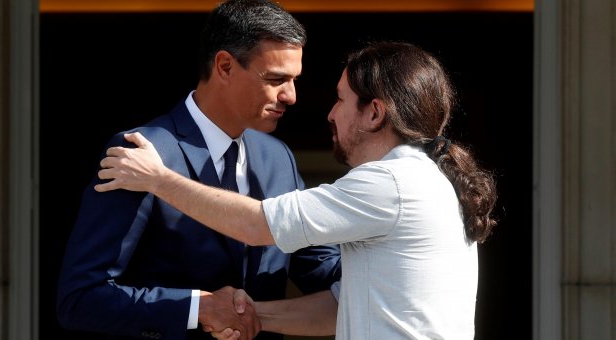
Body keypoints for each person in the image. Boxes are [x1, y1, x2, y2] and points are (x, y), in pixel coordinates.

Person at [95, 41, 499, 339]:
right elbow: (339, 307)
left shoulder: (391, 183)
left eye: (341, 100)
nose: (330, 113)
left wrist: (157, 177)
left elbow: (257, 224)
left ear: (375, 113)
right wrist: (243, 313)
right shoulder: (427, 180)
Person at [56, 0, 341, 339]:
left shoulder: (278, 157)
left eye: (294, 79)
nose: (291, 96)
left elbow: (321, 265)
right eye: (276, 78)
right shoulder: (142, 153)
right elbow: (81, 299)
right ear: (224, 66)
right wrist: (196, 308)